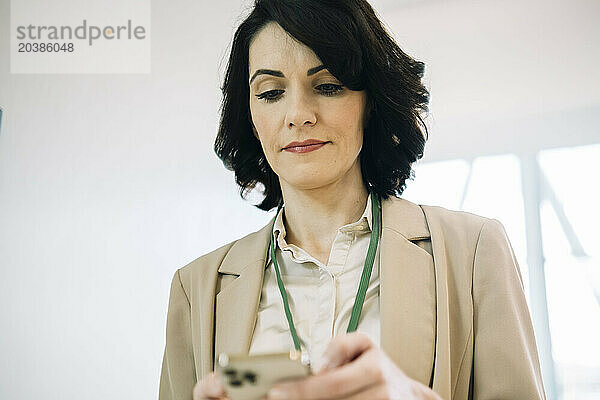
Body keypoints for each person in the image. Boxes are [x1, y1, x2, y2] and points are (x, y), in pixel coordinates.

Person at [159, 0, 547, 399]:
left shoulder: (475, 251)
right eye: (271, 92)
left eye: (328, 86)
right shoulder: (196, 289)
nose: (298, 114)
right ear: (251, 119)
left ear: (369, 104)